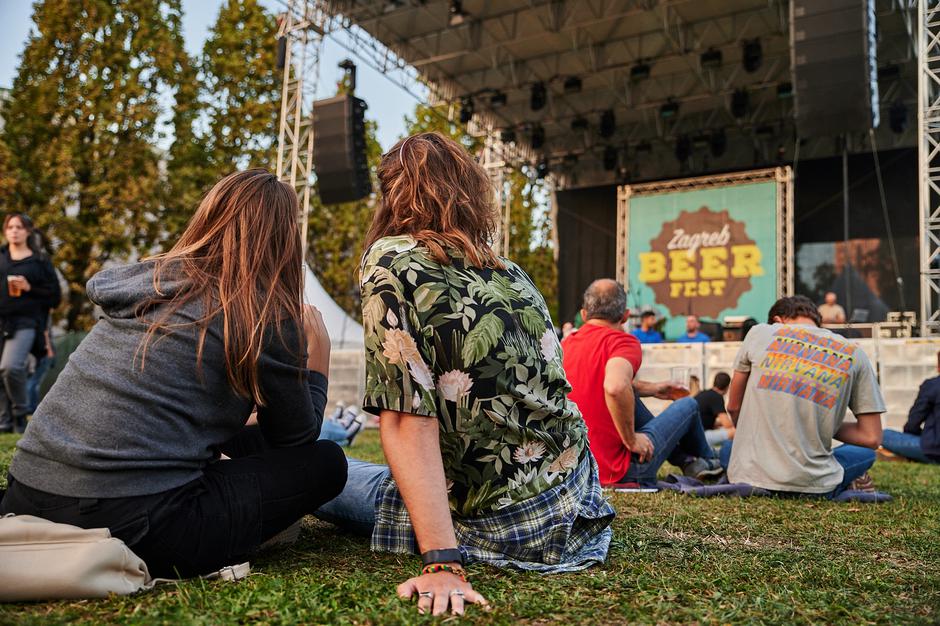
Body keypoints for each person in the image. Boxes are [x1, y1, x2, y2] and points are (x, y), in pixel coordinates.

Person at [315, 132, 614, 617]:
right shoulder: (512, 272)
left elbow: (405, 415)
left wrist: (441, 561)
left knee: (315, 466)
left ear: (394, 193)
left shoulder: (392, 259)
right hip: (573, 501)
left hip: (496, 520)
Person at [0, 169, 348, 578]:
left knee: (247, 443)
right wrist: (317, 362)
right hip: (134, 519)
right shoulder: (260, 312)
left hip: (26, 495)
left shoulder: (148, 284)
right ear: (284, 240)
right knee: (327, 462)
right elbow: (296, 439)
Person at [561, 279, 723, 487]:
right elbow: (616, 387)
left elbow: (606, 381)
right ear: (626, 316)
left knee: (632, 398)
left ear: (584, 315)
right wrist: (631, 440)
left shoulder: (566, 345)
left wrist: (654, 388)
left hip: (576, 470)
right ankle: (708, 461)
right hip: (624, 472)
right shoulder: (621, 341)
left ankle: (688, 461)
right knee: (689, 405)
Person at [721, 296, 885, 496]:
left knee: (729, 448)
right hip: (813, 485)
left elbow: (733, 407)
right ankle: (848, 479)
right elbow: (871, 437)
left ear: (777, 321)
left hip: (748, 477)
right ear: (818, 322)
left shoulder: (760, 332)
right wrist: (814, 423)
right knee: (865, 454)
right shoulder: (854, 353)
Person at [0, 214, 60, 433]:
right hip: (2, 320)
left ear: (28, 231)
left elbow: (55, 297)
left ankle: (20, 411)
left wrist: (29, 288)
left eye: (19, 227)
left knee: (11, 367)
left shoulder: (40, 262)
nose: (14, 231)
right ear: (6, 231)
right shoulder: (1, 258)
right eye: (10, 227)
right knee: (1, 372)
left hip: (27, 322)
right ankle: (5, 421)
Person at [880, 351, 940, 463]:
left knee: (882, 434)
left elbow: (913, 423)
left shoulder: (932, 385)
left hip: (934, 450)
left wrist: (923, 435)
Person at [694, 372, 735, 447]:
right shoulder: (717, 397)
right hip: (702, 437)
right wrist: (738, 423)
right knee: (735, 432)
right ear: (727, 386)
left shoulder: (703, 393)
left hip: (693, 436)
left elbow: (705, 420)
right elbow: (727, 425)